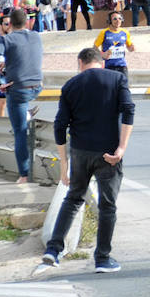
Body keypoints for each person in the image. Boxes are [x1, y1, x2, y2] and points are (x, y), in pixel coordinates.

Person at [40, 47, 134, 274]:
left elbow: (60, 125)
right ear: (101, 63)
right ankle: (102, 258)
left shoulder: (71, 85)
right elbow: (129, 110)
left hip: (81, 152)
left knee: (73, 199)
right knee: (107, 206)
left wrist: (64, 165)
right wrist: (121, 148)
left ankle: (53, 249)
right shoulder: (117, 79)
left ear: (80, 63)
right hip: (108, 154)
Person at [0, 9, 44, 184]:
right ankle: (27, 114)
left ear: (9, 24)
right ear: (27, 22)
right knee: (22, 111)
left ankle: (24, 174)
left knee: (20, 132)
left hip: (19, 89)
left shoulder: (5, 39)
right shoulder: (36, 36)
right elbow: (25, 53)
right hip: (37, 86)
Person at [92, 11, 135, 81]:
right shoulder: (104, 32)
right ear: (109, 21)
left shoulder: (125, 32)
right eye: (115, 19)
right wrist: (102, 54)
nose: (118, 21)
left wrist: (132, 48)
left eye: (120, 19)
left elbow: (129, 47)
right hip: (108, 67)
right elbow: (94, 48)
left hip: (122, 66)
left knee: (123, 88)